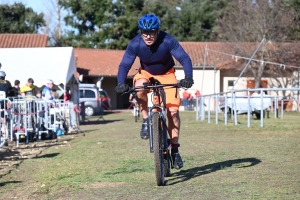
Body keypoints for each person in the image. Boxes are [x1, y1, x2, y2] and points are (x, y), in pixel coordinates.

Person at [115, 14, 194, 169]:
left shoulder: (168, 41)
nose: (148, 36)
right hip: (146, 73)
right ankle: (146, 120)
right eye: (144, 32)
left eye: (151, 32)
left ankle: (175, 150)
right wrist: (120, 83)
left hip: (167, 74)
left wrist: (188, 77)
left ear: (158, 31)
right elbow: (124, 64)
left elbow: (184, 58)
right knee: (139, 87)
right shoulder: (135, 43)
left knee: (173, 112)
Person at [0, 70, 13, 145]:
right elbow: (11, 92)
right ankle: (4, 137)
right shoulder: (8, 83)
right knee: (3, 120)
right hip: (3, 103)